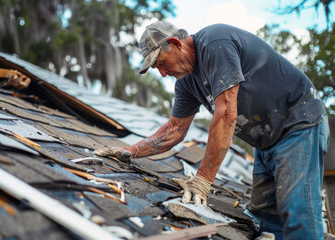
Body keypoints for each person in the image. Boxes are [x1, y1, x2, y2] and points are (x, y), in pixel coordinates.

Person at [94, 21, 330, 239]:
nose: (163, 73)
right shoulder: (186, 82)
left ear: (175, 44)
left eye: (162, 63)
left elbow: (227, 114)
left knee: (298, 212)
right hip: (266, 141)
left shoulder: (215, 43)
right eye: (157, 69)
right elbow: (174, 130)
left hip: (299, 123)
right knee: (266, 219)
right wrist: (131, 151)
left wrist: (203, 180)